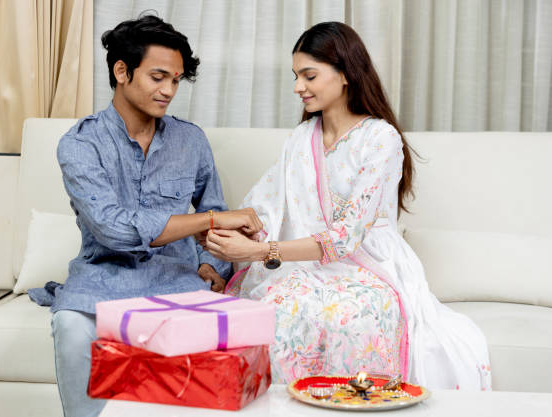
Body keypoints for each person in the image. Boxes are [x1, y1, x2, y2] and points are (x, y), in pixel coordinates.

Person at [202, 22, 491, 390]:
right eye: (296, 76)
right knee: (282, 306)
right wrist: (219, 239)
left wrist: (260, 250)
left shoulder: (380, 140)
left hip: (368, 265)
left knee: (349, 315)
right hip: (303, 262)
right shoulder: (302, 138)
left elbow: (346, 238)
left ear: (345, 74)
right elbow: (265, 208)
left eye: (309, 75)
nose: (297, 87)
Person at [29, 15, 262, 417]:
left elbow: (215, 209)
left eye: (175, 80)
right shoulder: (80, 144)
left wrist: (213, 265)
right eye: (158, 77)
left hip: (178, 284)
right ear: (122, 71)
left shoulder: (191, 140)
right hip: (100, 282)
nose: (169, 90)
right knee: (69, 326)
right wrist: (210, 223)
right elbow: (115, 230)